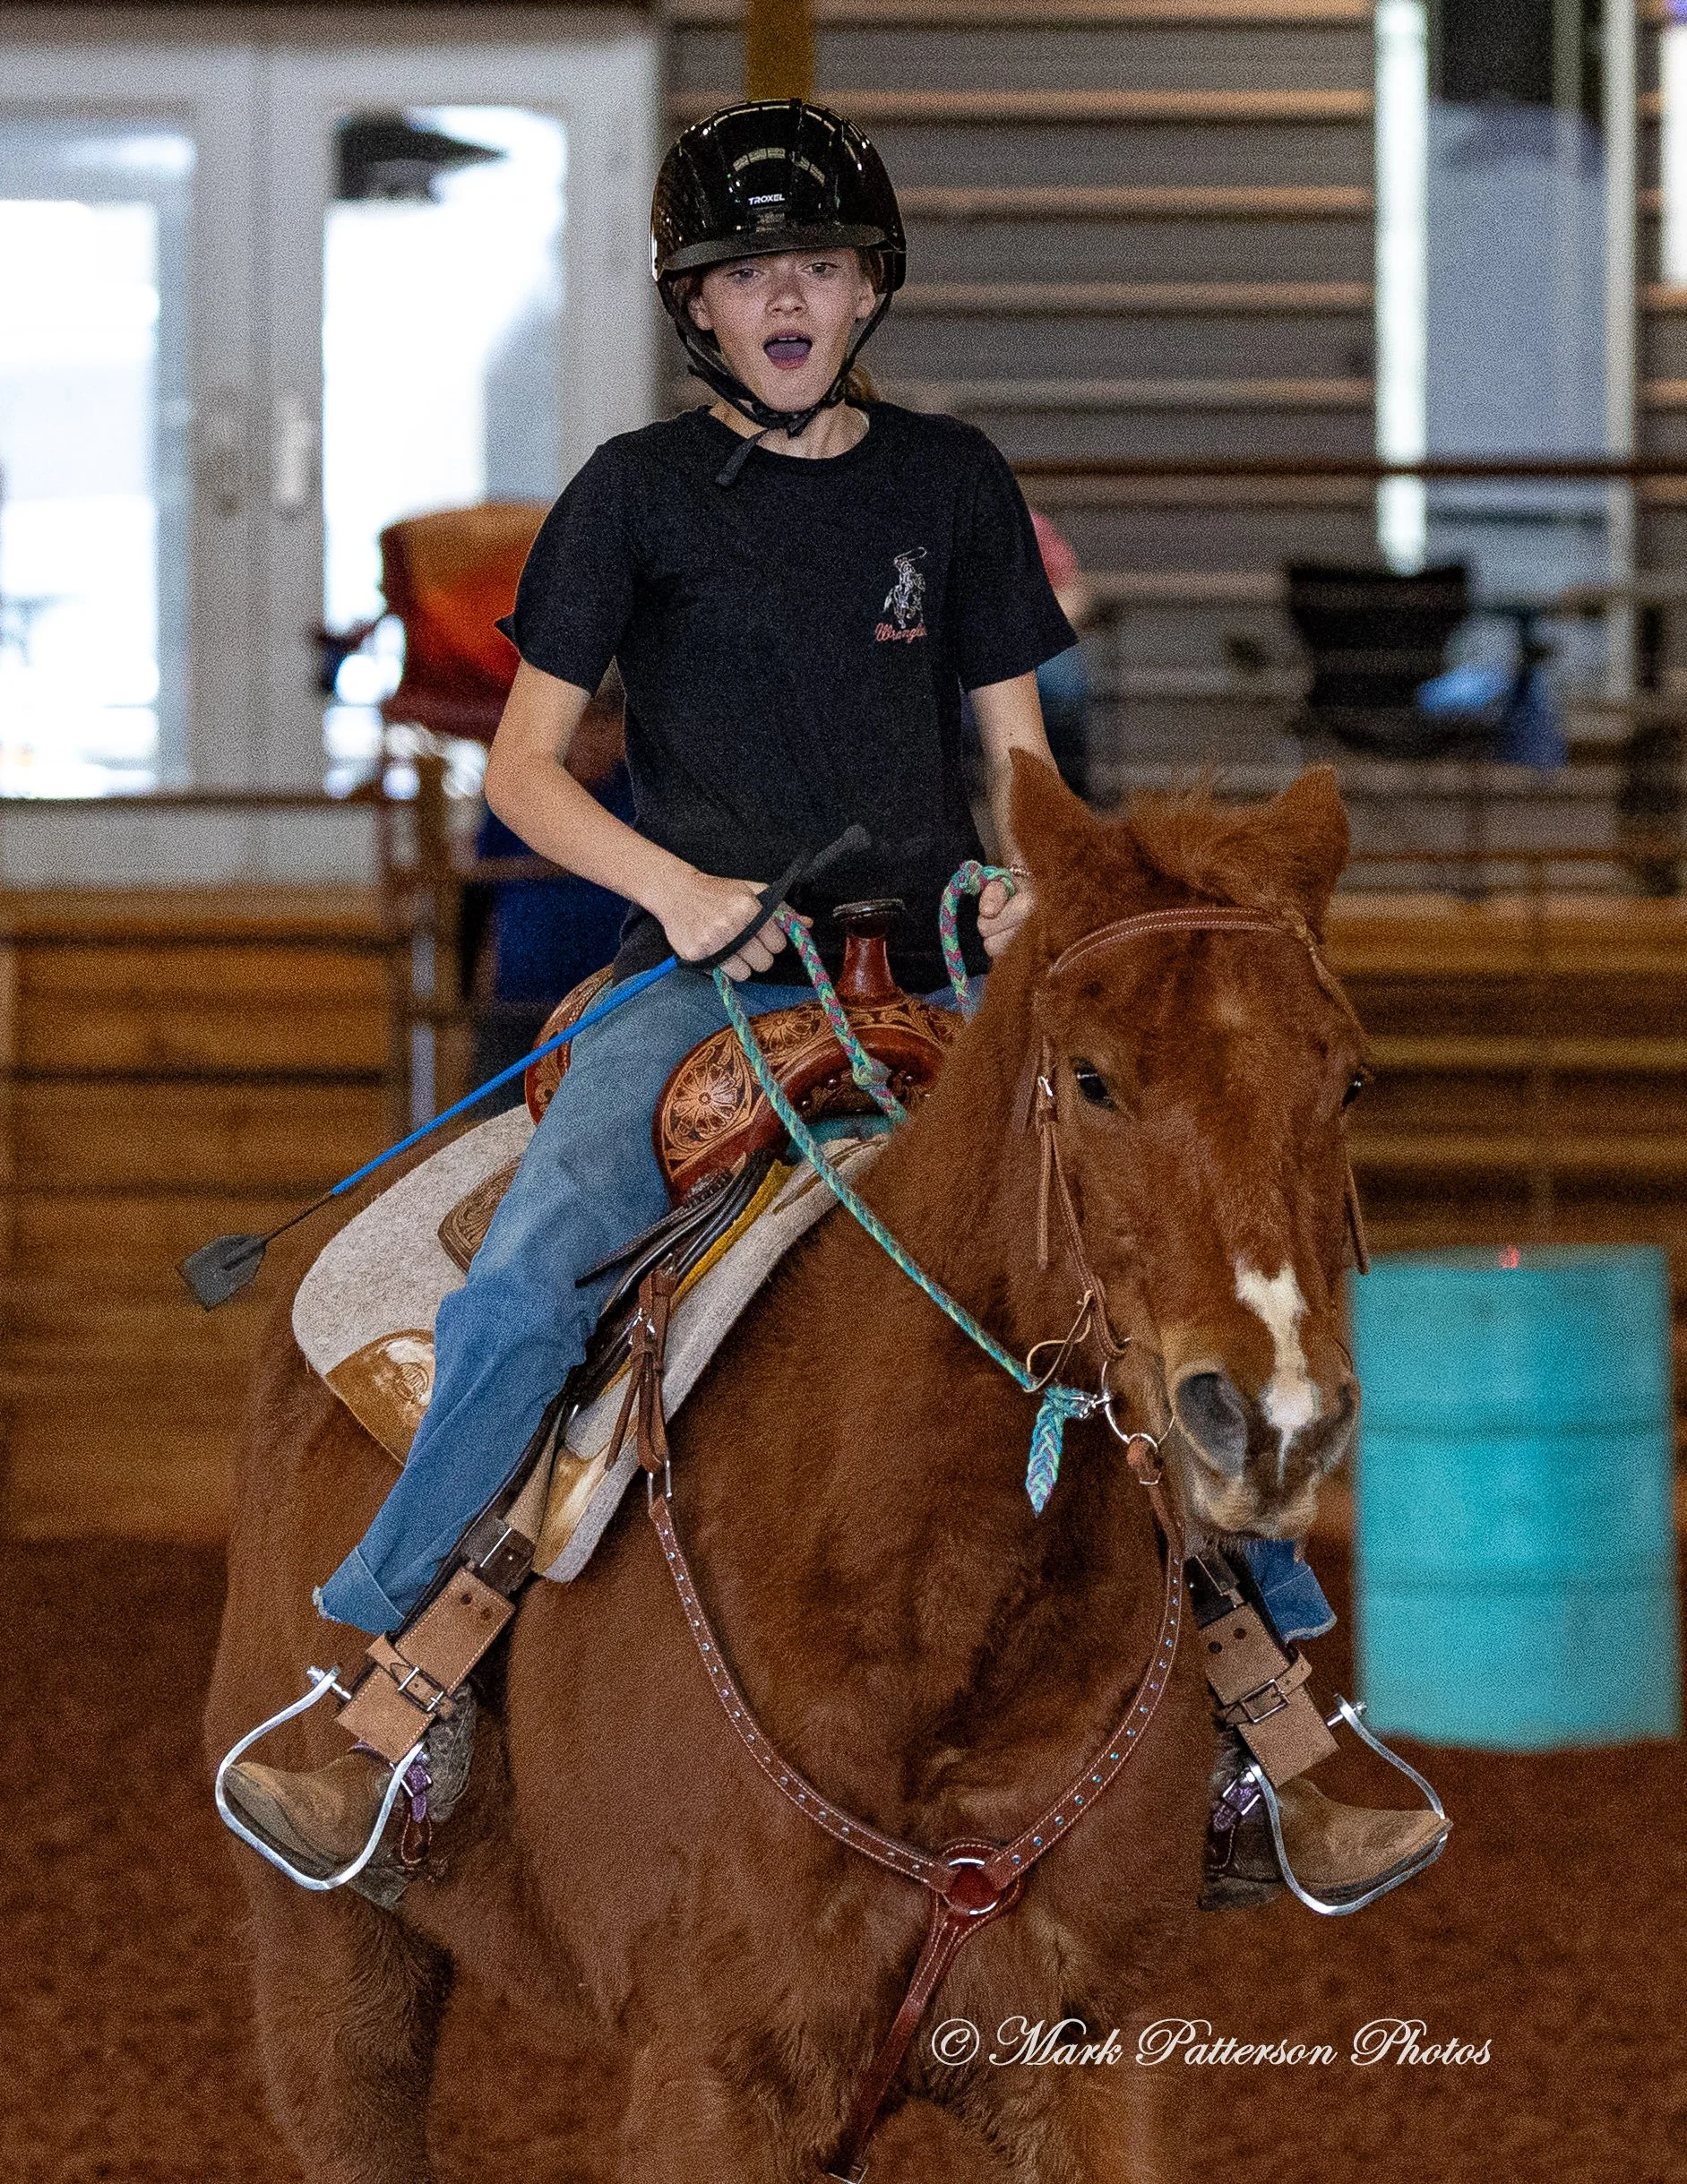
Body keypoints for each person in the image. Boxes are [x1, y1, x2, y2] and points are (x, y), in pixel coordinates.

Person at [222, 99, 1442, 1914]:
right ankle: (386, 1687)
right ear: (693, 309)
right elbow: (538, 772)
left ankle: (1269, 1715)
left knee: (1132, 1262)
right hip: (706, 974)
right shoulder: (628, 500)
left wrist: (1037, 882)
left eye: (813, 268)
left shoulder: (947, 484)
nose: (782, 300)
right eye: (742, 277)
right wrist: (671, 891)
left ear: (867, 285)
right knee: (536, 1268)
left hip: (942, 962)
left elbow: (1018, 756)